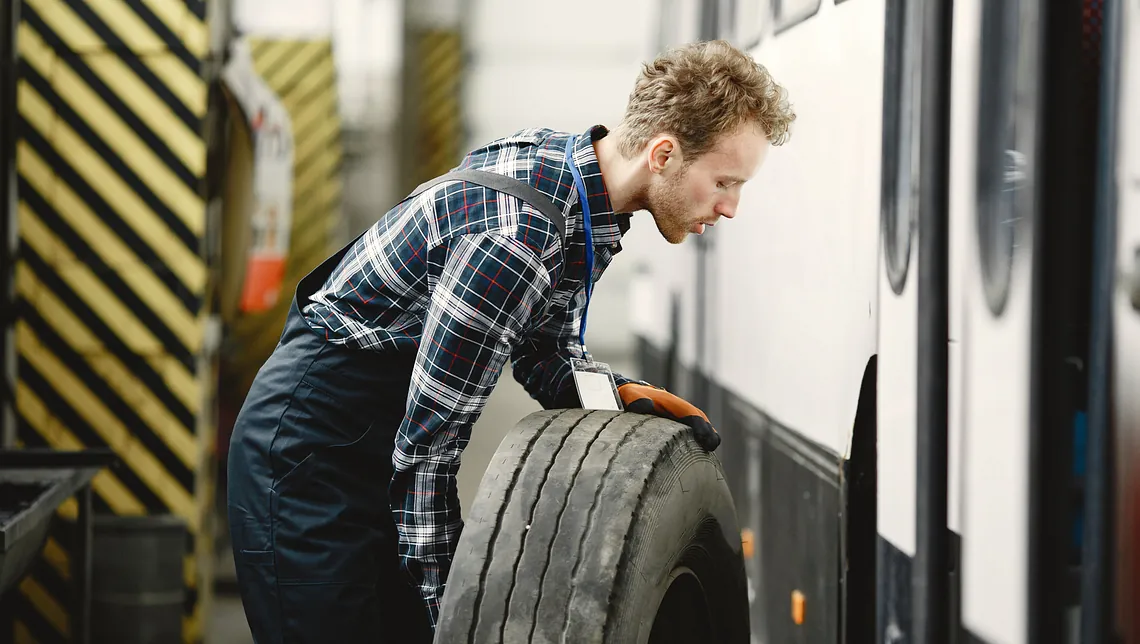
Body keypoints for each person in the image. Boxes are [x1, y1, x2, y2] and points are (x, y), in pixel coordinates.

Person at [226, 38, 795, 643]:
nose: (730, 207)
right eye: (725, 181)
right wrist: (457, 613)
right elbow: (428, 450)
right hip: (306, 459)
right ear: (663, 154)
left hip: (373, 447)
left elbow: (544, 353)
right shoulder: (516, 242)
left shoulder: (580, 194)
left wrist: (625, 398)